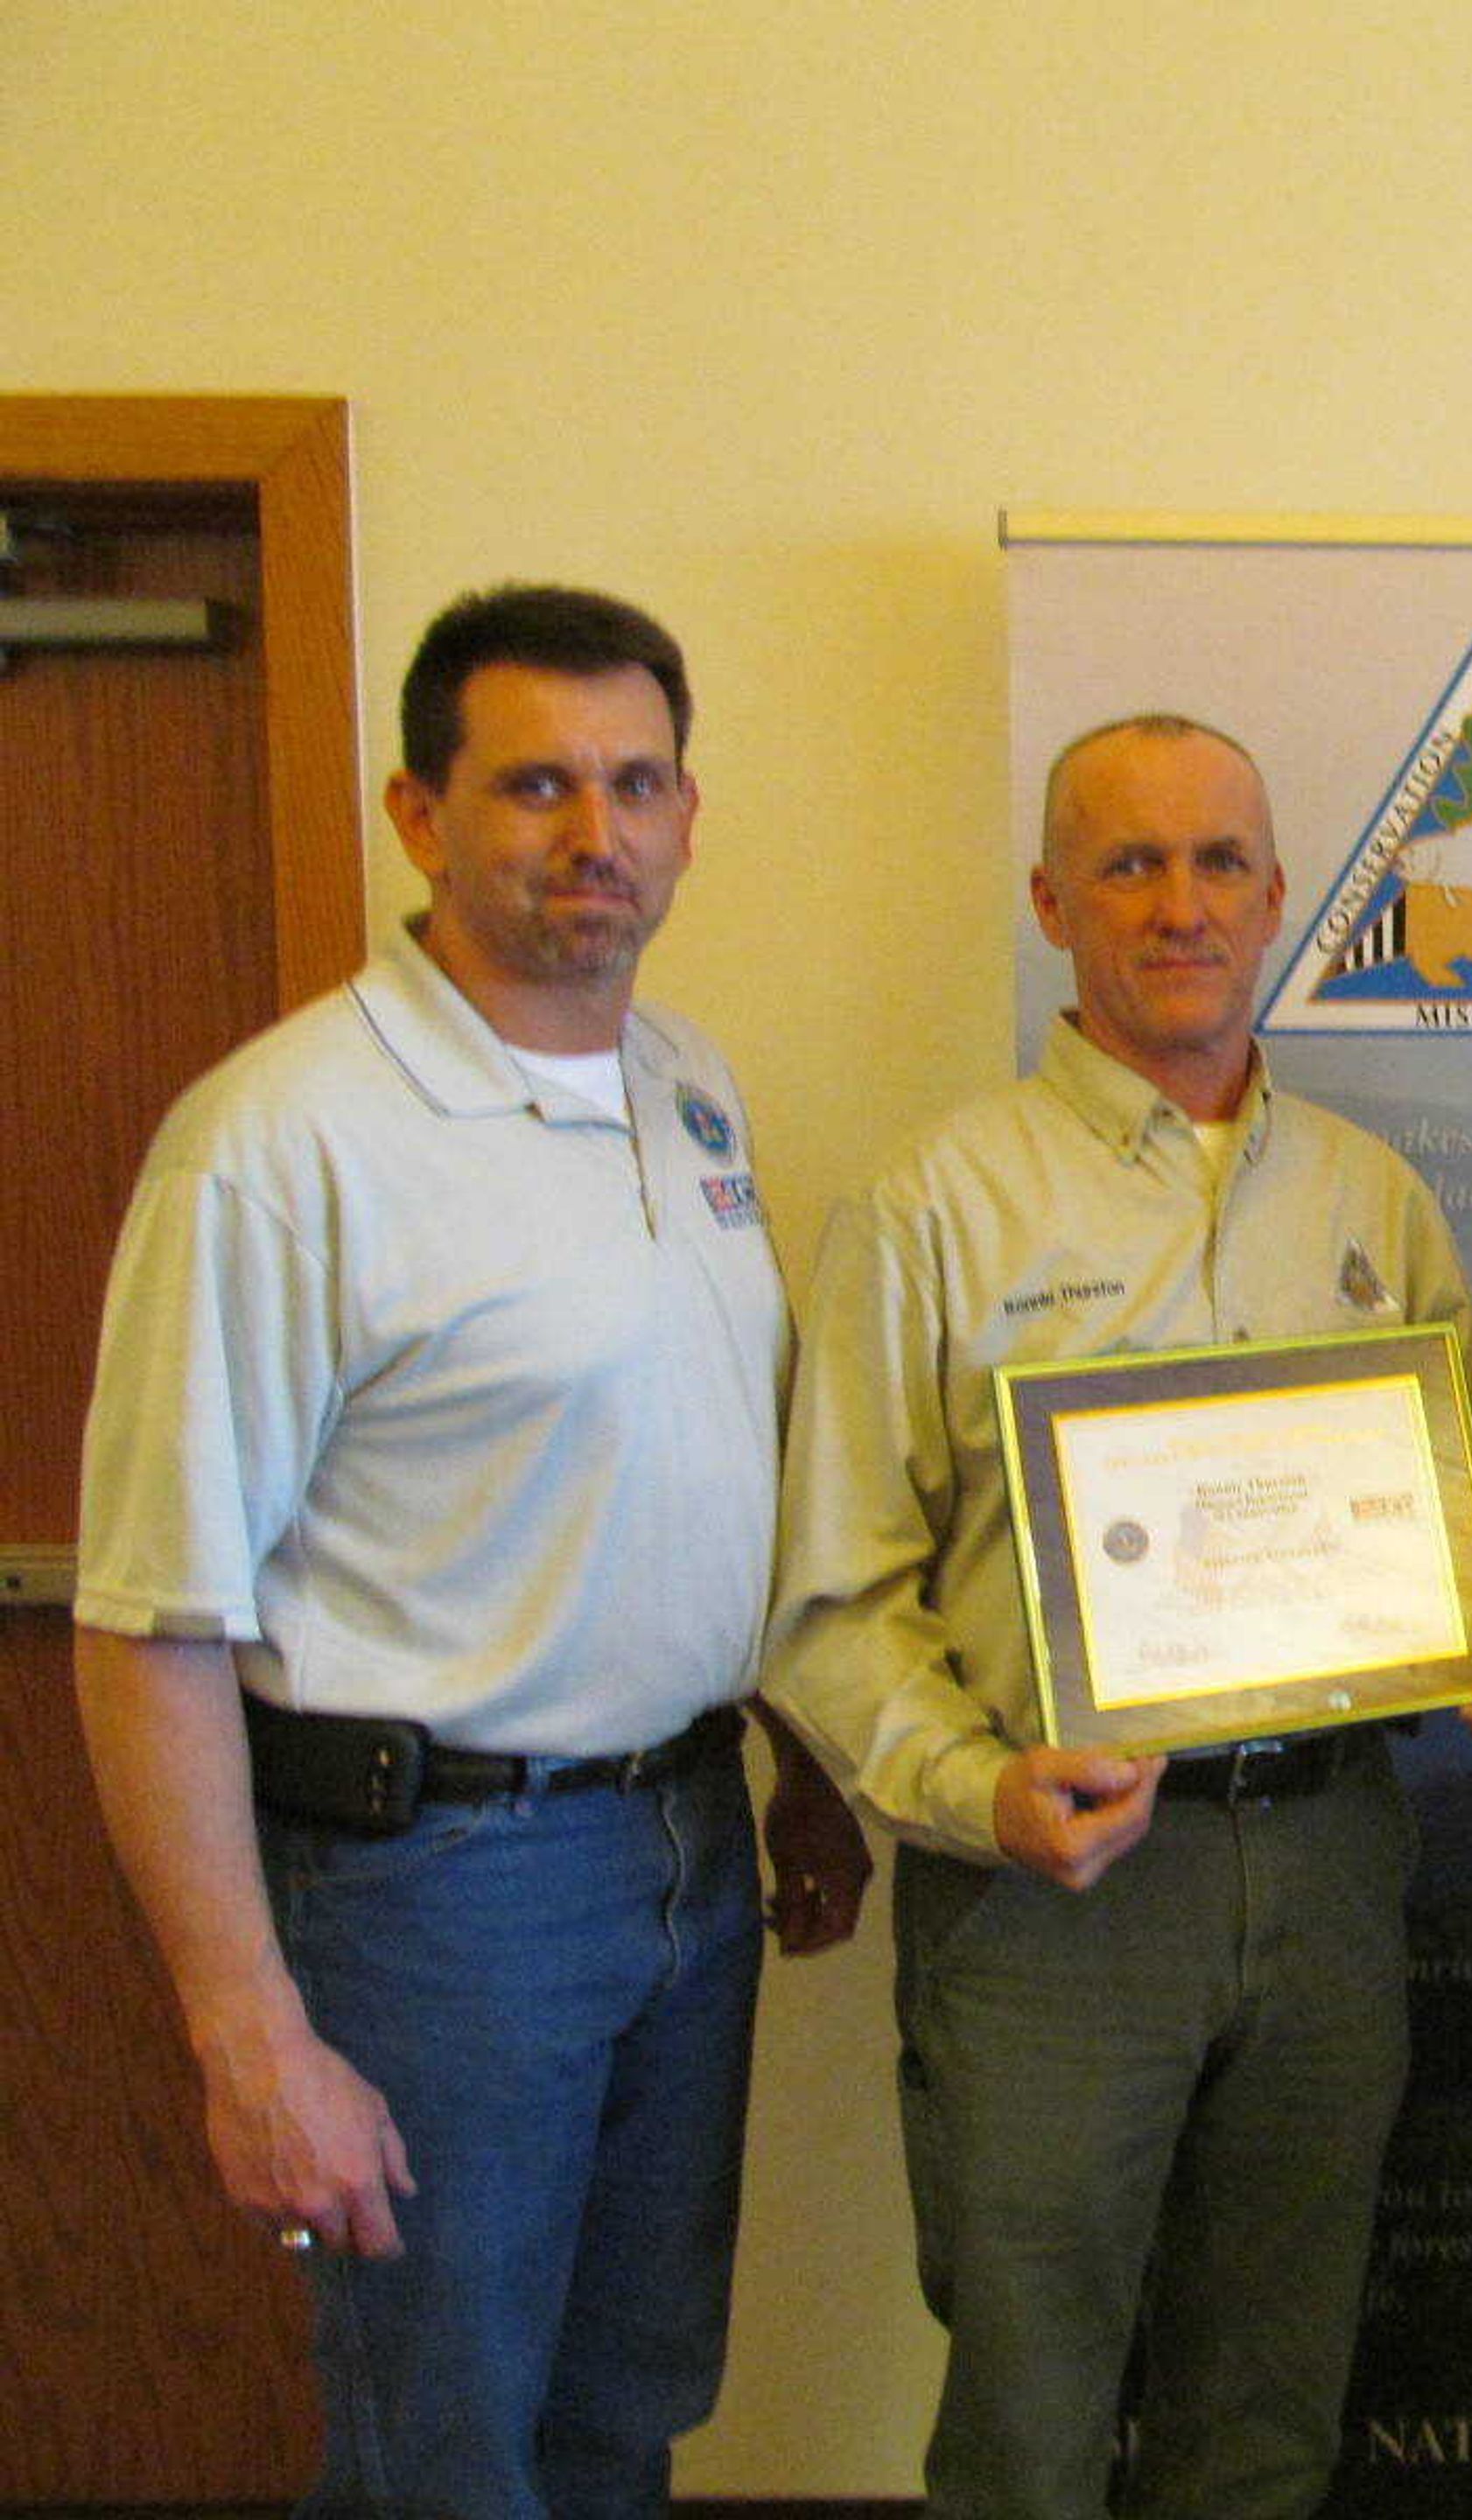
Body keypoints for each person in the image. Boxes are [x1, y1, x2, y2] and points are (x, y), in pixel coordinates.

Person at [71, 582, 871, 2518]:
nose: (594, 835)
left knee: (627, 2410)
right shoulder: (280, 1144)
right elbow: (151, 1620)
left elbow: (675, 1466)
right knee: (447, 2448)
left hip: (683, 1851)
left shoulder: (688, 1086)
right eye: (533, 785)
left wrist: (793, 1761)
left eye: (637, 782)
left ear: (689, 814)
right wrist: (247, 2033)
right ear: (419, 816)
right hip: (440, 1894)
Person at [761, 712, 1472, 2520]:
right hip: (1057, 1894)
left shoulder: (1373, 1198)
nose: (1181, 904)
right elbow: (828, 1602)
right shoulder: (931, 1208)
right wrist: (977, 1793)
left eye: (1221, 862)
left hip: (1328, 1869)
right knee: (1030, 2430)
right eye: (1129, 863)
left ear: (1285, 895)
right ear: (1054, 898)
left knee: (1268, 2416)